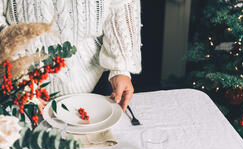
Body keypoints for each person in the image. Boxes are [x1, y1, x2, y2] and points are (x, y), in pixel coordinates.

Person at [0, 0, 142, 112]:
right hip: (21, 90)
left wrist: (120, 68)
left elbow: (120, 6)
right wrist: (19, 78)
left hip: (98, 80)